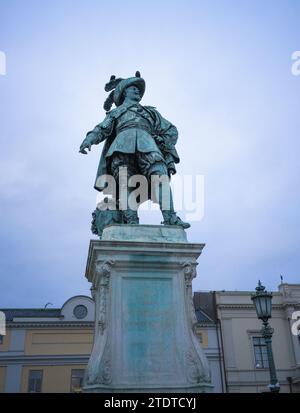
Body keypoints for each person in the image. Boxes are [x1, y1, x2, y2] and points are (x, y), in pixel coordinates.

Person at [79, 71, 190, 229]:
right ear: (124, 92)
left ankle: (170, 218)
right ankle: (131, 221)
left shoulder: (151, 113)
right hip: (121, 146)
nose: (137, 90)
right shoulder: (116, 112)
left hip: (148, 144)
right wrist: (89, 140)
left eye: (138, 89)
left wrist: (164, 142)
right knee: (125, 184)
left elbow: (171, 130)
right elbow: (102, 129)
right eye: (133, 88)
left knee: (160, 177)